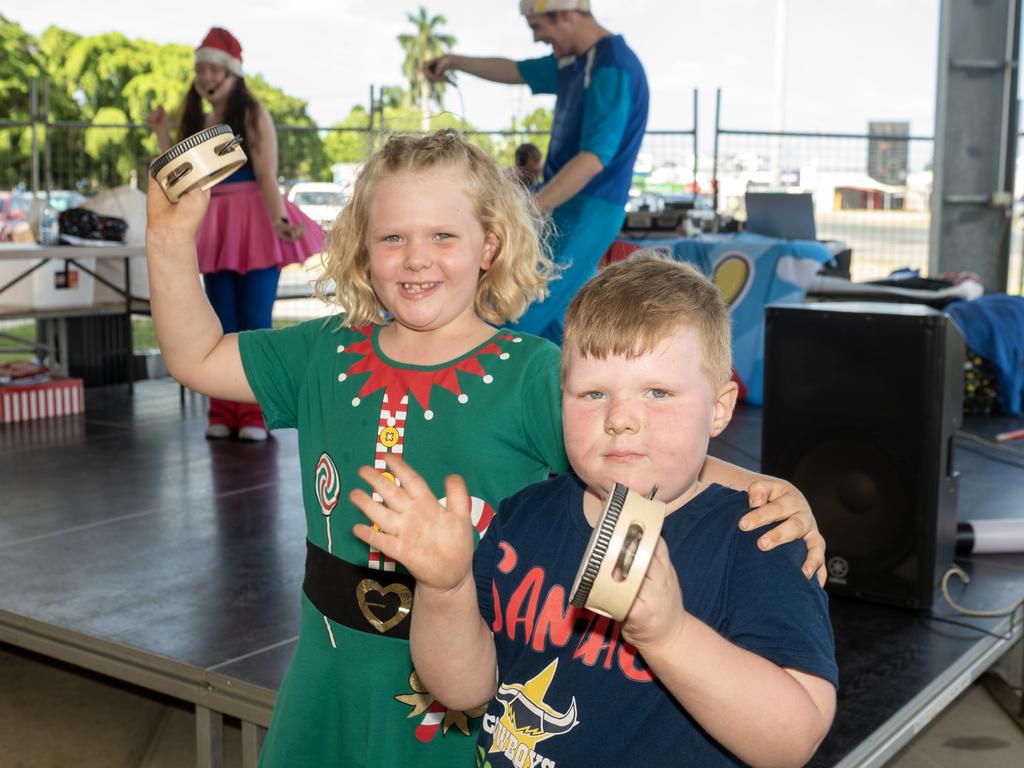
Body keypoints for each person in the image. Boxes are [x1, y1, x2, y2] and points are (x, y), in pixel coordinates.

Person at [145, 131, 824, 768]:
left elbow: (634, 448)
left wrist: (763, 489)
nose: (416, 257)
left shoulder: (534, 374)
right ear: (360, 248)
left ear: (489, 246)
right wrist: (168, 238)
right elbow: (197, 354)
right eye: (392, 237)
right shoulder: (323, 350)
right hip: (329, 673)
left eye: (443, 235)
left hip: (464, 684)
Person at [351, 252, 838, 767]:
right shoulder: (523, 518)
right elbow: (464, 690)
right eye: (593, 393)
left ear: (718, 409)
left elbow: (792, 740)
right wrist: (445, 589)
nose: (621, 417)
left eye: (657, 392)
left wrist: (671, 635)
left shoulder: (758, 539)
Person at [425, 0, 649, 344]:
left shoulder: (610, 66)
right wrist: (454, 61)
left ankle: (474, 385)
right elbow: (516, 71)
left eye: (538, 27)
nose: (537, 39)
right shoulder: (576, 61)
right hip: (565, 204)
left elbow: (593, 159)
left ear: (566, 14)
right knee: (557, 320)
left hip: (589, 207)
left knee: (522, 309)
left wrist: (532, 207)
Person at [146, 27, 324, 442]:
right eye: (200, 68)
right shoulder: (199, 118)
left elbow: (266, 171)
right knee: (217, 321)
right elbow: (179, 171)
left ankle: (255, 415)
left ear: (232, 72)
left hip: (252, 220)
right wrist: (160, 132)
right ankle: (223, 413)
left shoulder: (253, 113)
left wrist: (278, 218)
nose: (204, 76)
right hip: (213, 222)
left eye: (212, 67)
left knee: (255, 321)